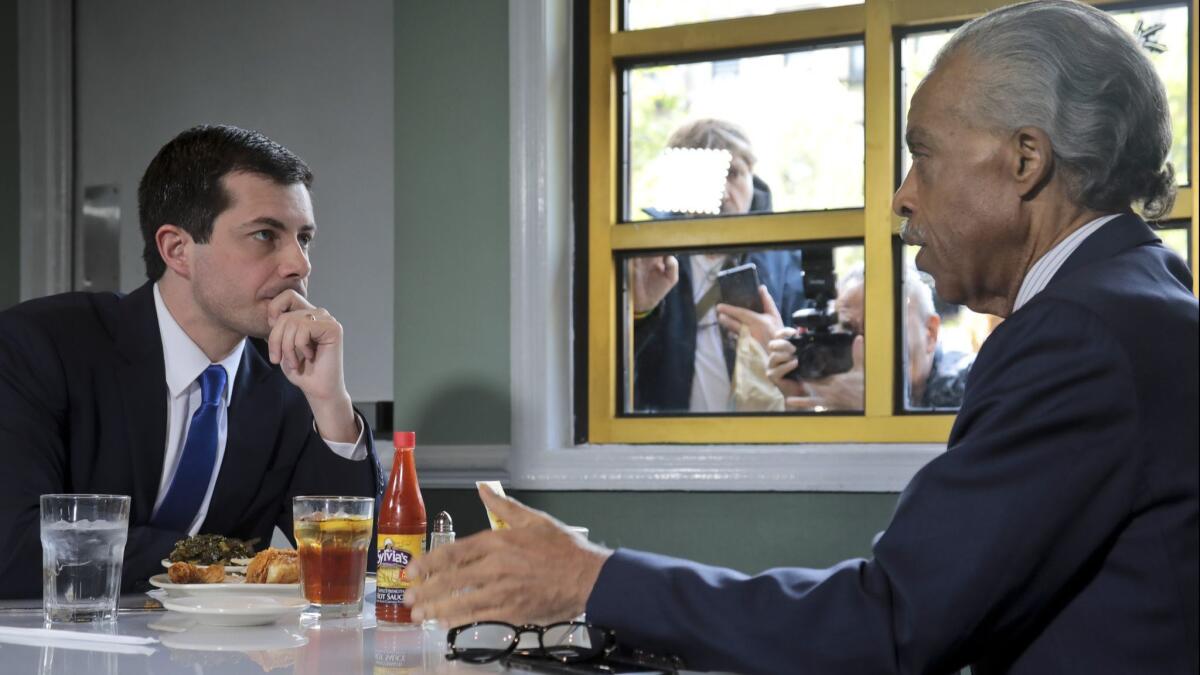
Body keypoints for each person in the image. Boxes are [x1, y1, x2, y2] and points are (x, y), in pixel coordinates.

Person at [404, 2, 1198, 672]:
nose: (900, 197)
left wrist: (591, 578)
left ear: (1026, 158)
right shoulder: (1134, 297)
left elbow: (890, 622)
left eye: (921, 156)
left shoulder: (1079, 335)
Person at [0, 125, 383, 598]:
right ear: (177, 249)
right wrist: (219, 562)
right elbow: (14, 546)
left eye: (304, 238)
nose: (299, 264)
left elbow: (358, 566)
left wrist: (331, 404)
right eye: (266, 234)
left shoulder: (289, 378)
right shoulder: (40, 345)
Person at [630, 118, 806, 413]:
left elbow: (822, 381)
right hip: (664, 444)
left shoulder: (788, 258)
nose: (723, 194)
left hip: (769, 447)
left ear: (752, 177)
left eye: (734, 174)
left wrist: (780, 342)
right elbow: (605, 366)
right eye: (704, 178)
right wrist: (638, 312)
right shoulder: (648, 258)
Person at [765, 263, 974, 411]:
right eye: (849, 330)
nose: (864, 345)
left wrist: (876, 408)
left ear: (930, 333)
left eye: (883, 328)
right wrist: (802, 397)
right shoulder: (840, 386)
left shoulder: (969, 383)